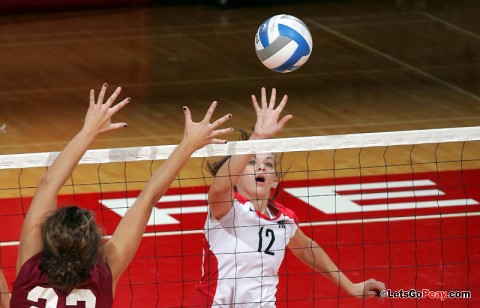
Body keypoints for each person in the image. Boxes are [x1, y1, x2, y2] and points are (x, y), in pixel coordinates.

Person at [10, 83, 232, 307]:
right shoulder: (102, 275)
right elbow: (148, 199)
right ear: (92, 247)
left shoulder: (30, 268)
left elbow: (47, 185)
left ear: (48, 240)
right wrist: (188, 145)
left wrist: (89, 130)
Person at [195, 87, 386, 307]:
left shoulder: (284, 220)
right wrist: (257, 137)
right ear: (236, 174)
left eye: (268, 164)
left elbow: (306, 248)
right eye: (252, 162)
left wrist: (351, 286)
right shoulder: (227, 209)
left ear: (275, 180)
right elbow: (220, 187)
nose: (261, 168)